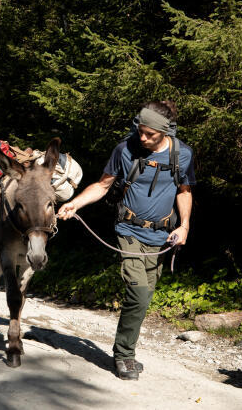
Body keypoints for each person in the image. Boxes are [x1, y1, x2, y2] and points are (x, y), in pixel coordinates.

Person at [58, 100, 195, 381]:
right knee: (139, 292)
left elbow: (184, 191)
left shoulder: (183, 155)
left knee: (143, 297)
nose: (142, 138)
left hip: (161, 237)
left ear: (165, 132)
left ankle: (125, 350)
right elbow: (103, 185)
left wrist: (184, 226)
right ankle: (124, 356)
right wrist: (75, 204)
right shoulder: (125, 149)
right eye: (140, 132)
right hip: (128, 231)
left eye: (149, 135)